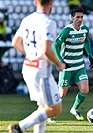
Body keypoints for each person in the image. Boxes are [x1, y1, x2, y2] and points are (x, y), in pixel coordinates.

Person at [8, 0, 66, 133]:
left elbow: (15, 42)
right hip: (40, 71)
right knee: (55, 109)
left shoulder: (27, 19)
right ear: (51, 2)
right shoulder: (49, 22)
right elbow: (46, 51)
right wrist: (59, 64)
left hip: (28, 67)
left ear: (35, 2)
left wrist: (31, 54)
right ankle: (19, 127)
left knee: (43, 107)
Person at [52, 7, 93, 121]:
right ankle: (51, 113)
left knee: (85, 90)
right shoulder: (67, 30)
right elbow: (55, 45)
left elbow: (86, 41)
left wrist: (90, 56)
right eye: (77, 17)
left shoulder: (85, 30)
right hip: (67, 67)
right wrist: (61, 60)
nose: (80, 19)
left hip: (79, 65)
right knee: (61, 94)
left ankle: (74, 109)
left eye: (81, 17)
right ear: (72, 18)